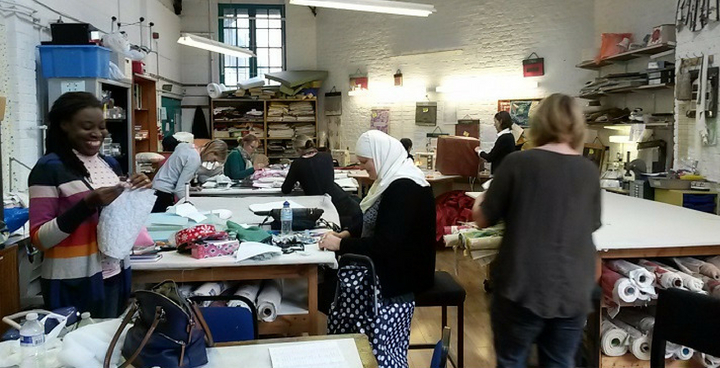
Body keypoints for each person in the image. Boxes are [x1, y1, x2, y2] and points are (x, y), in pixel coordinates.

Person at [472, 94, 601, 368]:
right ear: (577, 126)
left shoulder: (518, 163)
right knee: (559, 362)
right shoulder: (589, 171)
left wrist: (480, 200)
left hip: (522, 287)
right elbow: (588, 229)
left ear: (539, 124)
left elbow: (483, 219)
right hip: (572, 291)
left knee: (512, 361)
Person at [29, 92, 152, 318]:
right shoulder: (49, 168)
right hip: (74, 280)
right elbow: (40, 238)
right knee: (77, 349)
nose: (97, 133)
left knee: (109, 345)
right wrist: (86, 205)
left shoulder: (110, 164)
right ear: (64, 125)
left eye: (102, 126)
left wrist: (138, 189)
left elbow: (120, 221)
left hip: (115, 274)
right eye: (87, 127)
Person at [319, 130, 436, 368]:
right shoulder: (394, 179)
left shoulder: (404, 188)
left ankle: (358, 355)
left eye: (365, 162)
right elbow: (374, 219)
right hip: (395, 268)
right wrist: (347, 233)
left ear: (380, 155)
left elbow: (385, 245)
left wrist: (340, 245)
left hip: (398, 279)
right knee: (331, 288)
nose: (364, 169)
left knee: (328, 291)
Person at [281, 135, 363, 236]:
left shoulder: (297, 164)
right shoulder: (327, 156)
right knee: (357, 203)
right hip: (340, 200)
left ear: (298, 150)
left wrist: (298, 180)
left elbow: (285, 189)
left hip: (318, 205)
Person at [151, 133, 201, 212]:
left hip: (157, 188)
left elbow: (176, 175)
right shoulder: (194, 158)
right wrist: (191, 206)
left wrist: (189, 188)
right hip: (164, 194)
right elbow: (179, 190)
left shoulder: (184, 150)